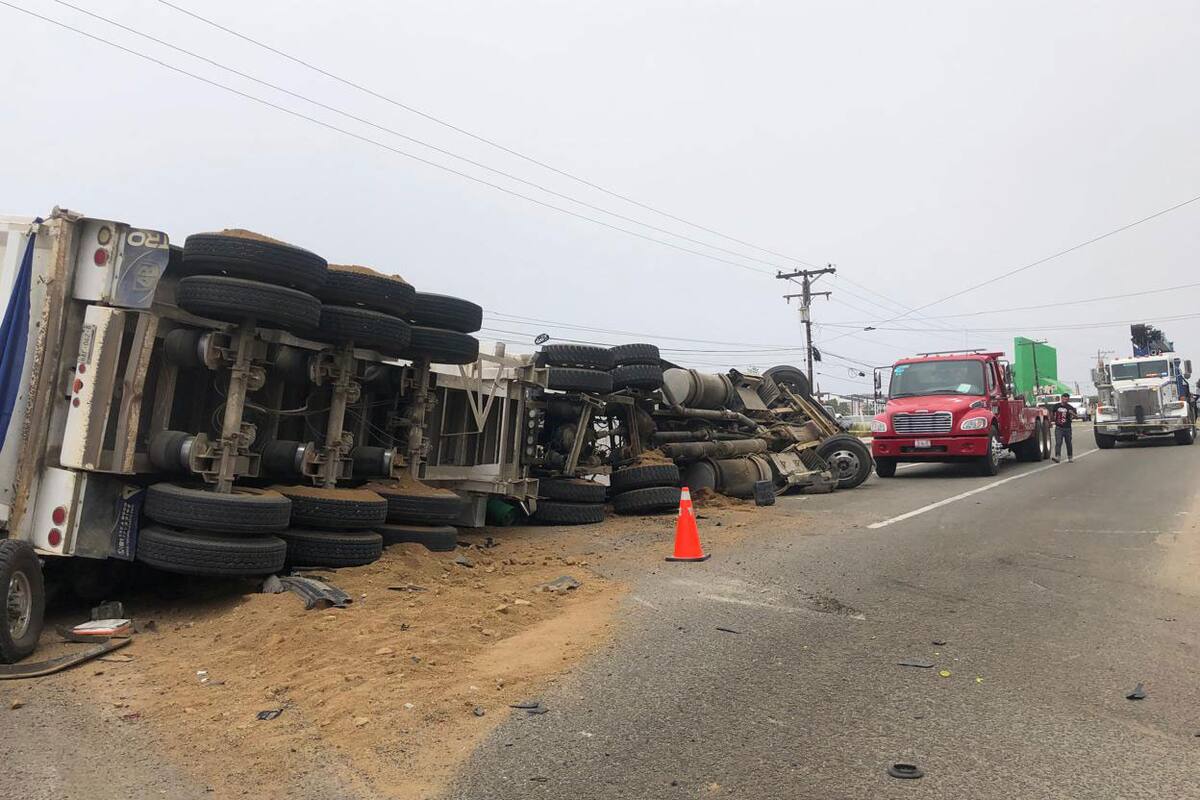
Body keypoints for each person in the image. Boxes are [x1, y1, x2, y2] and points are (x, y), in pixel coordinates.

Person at [1050, 392, 1077, 462]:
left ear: (1068, 400)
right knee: (1058, 442)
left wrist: (1072, 413)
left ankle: (1070, 457)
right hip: (1059, 427)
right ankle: (1057, 456)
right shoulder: (1056, 406)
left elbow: (1076, 416)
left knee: (1068, 443)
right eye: (1064, 399)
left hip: (1067, 428)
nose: (1065, 401)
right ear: (1061, 398)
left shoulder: (1070, 407)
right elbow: (1052, 413)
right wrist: (1052, 419)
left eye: (1067, 399)